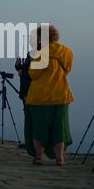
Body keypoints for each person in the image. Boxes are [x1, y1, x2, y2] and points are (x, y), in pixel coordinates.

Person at [24, 25, 74, 166]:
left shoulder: (41, 54)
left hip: (40, 97)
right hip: (61, 95)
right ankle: (60, 158)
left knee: (38, 128)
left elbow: (33, 74)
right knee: (60, 129)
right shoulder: (67, 52)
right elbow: (68, 69)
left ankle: (39, 157)